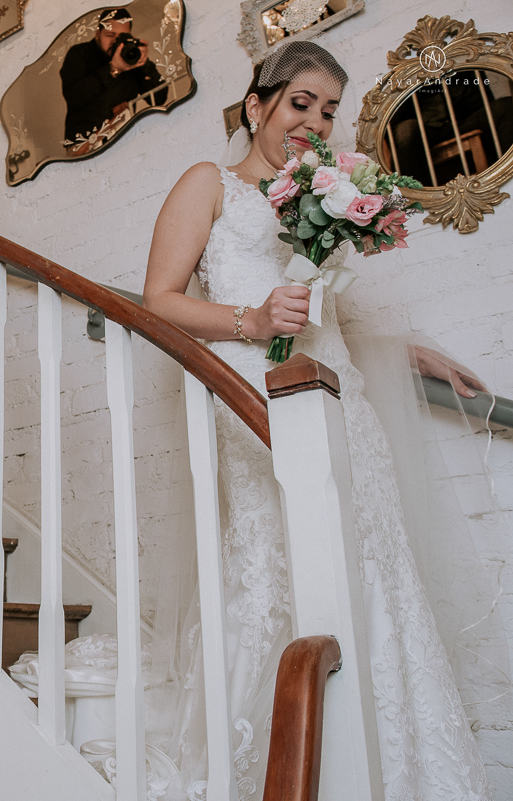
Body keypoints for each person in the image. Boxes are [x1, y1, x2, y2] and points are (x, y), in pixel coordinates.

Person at [141, 41, 493, 799]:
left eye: (328, 110)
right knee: (280, 559)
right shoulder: (211, 185)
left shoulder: (319, 198)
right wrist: (252, 315)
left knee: (371, 561)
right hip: (260, 399)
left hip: (342, 405)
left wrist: (409, 354)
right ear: (256, 106)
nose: (315, 122)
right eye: (300, 102)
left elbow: (322, 317)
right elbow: (159, 298)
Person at [60, 9, 166, 145]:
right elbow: (74, 96)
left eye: (121, 36)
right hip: (85, 147)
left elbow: (159, 98)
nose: (115, 42)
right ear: (98, 34)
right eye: (110, 35)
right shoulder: (80, 53)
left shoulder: (130, 56)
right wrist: (113, 68)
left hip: (124, 141)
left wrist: (145, 65)